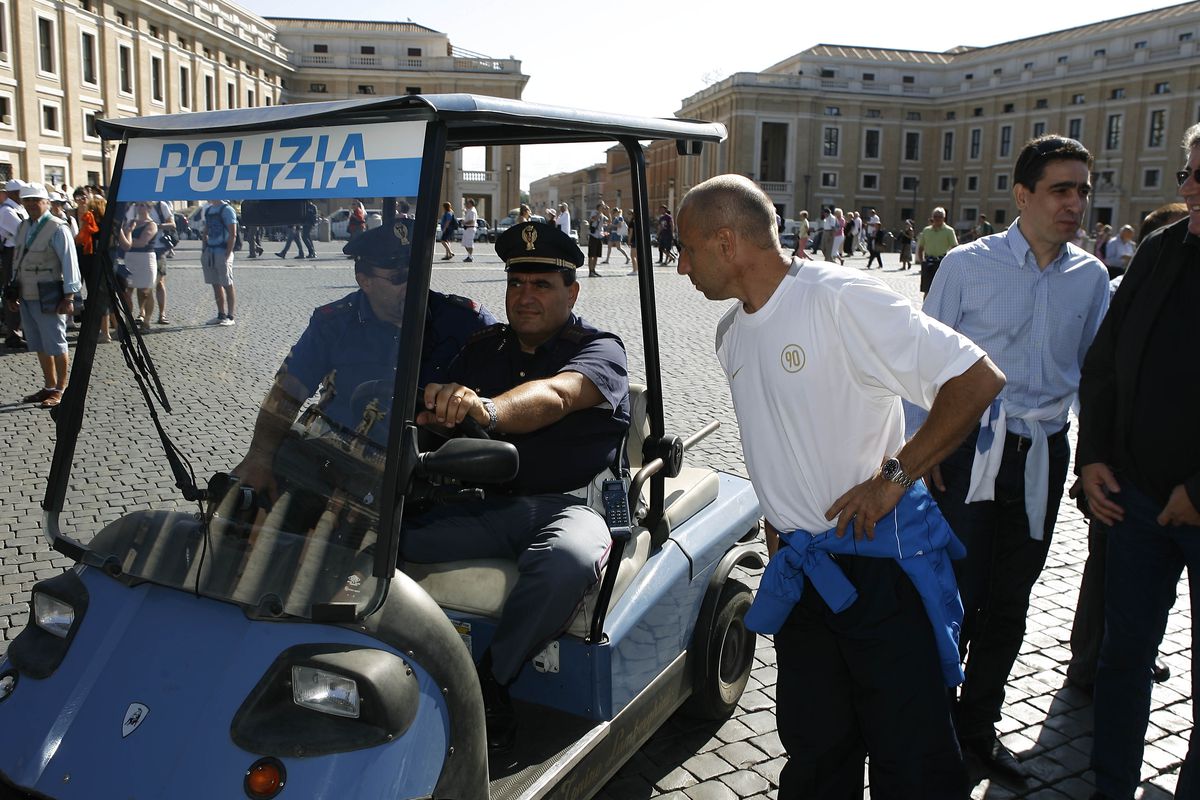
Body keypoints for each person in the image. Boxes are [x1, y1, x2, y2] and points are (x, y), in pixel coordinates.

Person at [675, 174, 1005, 799]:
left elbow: (975, 378)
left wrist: (893, 478)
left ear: (726, 242)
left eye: (687, 248)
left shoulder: (839, 297)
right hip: (803, 578)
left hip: (882, 568)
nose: (680, 261)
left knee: (913, 758)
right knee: (815, 754)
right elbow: (779, 443)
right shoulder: (730, 334)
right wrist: (779, 532)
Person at [916, 135, 1110, 780]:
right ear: (1023, 195)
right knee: (955, 593)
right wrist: (924, 451)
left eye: (1083, 189)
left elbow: (1093, 376)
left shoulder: (1091, 279)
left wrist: (1093, 456)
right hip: (967, 448)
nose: (1076, 202)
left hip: (1043, 455)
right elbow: (922, 363)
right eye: (1062, 189)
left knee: (1012, 596)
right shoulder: (966, 267)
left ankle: (979, 728)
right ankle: (935, 728)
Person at [402, 220, 630, 752]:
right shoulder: (481, 349)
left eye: (542, 285)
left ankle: (490, 680)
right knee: (384, 536)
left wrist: (485, 408)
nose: (525, 296)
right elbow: (430, 418)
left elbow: (555, 396)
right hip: (484, 505)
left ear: (571, 291)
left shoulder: (600, 349)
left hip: (570, 506)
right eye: (516, 283)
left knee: (567, 561)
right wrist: (429, 403)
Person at [1079, 124, 1200, 800]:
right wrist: (1092, 456)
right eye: (1186, 171)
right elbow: (1102, 367)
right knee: (1123, 659)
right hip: (1135, 501)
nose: (1185, 186)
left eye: (1198, 176)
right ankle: (1109, 786)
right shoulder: (1159, 250)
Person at [233, 218, 496, 499]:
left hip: (427, 478)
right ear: (364, 280)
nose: (413, 284)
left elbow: (505, 392)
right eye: (398, 277)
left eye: (417, 272)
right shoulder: (333, 324)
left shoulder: (466, 321)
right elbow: (287, 393)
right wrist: (260, 457)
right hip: (335, 471)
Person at [8, 183, 82, 408]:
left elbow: (70, 263)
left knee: (56, 342)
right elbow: (17, 260)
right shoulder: (22, 227)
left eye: (35, 200)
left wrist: (69, 296)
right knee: (38, 341)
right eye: (27, 200)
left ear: (46, 202)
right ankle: (49, 385)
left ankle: (62, 388)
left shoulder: (58, 227)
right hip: (27, 293)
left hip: (50, 294)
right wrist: (13, 290)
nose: (30, 203)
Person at [116, 202, 159, 332]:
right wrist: (128, 237)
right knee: (127, 290)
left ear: (149, 208)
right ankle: (128, 320)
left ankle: (146, 321)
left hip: (145, 258)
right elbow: (122, 240)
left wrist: (128, 238)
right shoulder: (131, 222)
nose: (140, 208)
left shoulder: (151, 224)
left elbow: (142, 242)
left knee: (146, 291)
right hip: (130, 258)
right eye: (138, 205)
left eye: (143, 205)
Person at [1, 178, 28, 348]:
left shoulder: (18, 209)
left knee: (22, 290)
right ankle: (13, 333)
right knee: (12, 291)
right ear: (14, 193)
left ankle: (20, 330)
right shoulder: (6, 211)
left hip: (20, 252)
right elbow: (23, 231)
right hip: (11, 254)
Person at [201, 198, 237, 326]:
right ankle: (221, 314)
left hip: (222, 251)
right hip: (210, 251)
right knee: (215, 284)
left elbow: (233, 233)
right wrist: (204, 248)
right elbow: (206, 230)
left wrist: (228, 252)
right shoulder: (209, 210)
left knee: (227, 284)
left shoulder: (227, 209)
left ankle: (231, 316)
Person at [916, 207, 958, 296]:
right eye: (935, 216)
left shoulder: (949, 231)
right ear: (932, 217)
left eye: (940, 216)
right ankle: (925, 309)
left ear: (944, 218)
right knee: (927, 290)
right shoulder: (926, 230)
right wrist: (921, 261)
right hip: (928, 262)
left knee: (941, 289)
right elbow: (921, 247)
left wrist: (952, 263)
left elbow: (955, 248)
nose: (937, 219)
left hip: (942, 262)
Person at [586, 201, 608, 276]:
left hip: (600, 236)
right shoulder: (594, 212)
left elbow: (609, 221)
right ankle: (590, 271)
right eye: (602, 206)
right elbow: (593, 219)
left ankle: (593, 270)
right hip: (593, 235)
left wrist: (608, 212)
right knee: (591, 254)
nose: (603, 207)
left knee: (596, 255)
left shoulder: (602, 215)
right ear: (599, 207)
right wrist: (600, 212)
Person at [461, 198, 478, 262]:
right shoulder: (469, 210)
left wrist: (465, 222)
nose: (466, 204)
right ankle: (469, 255)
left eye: (467, 203)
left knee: (469, 243)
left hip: (470, 228)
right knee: (465, 243)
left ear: (471, 203)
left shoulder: (472, 211)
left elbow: (472, 220)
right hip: (467, 228)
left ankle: (470, 257)